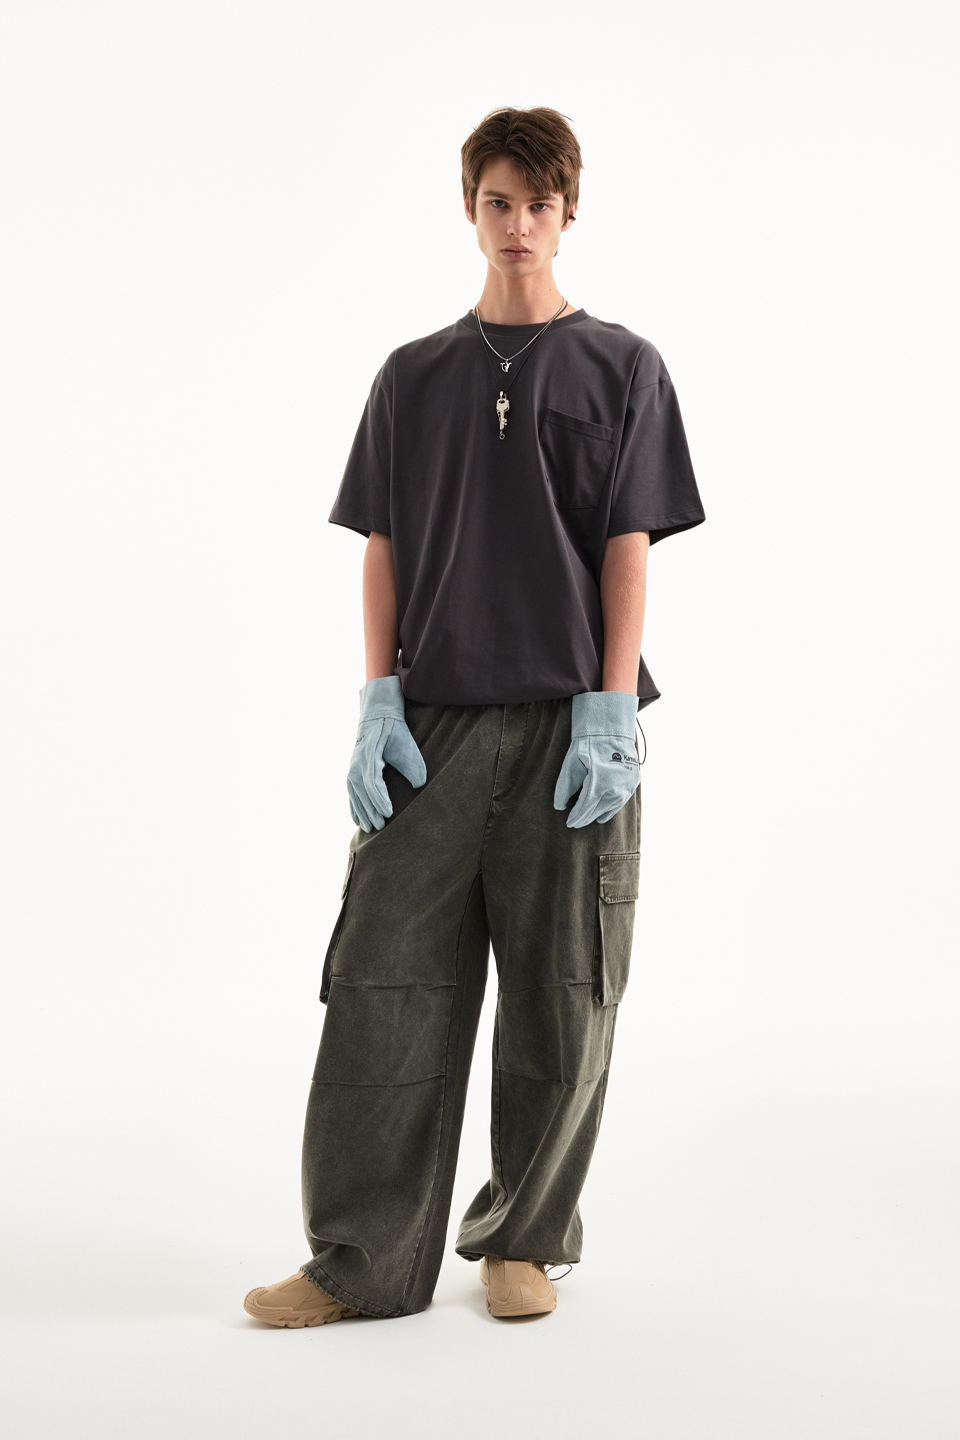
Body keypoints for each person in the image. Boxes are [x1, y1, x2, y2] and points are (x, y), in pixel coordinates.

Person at [243, 106, 704, 1327]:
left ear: (569, 213)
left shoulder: (622, 366)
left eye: (539, 205)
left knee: (563, 989)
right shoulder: (413, 376)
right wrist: (376, 697)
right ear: (469, 208)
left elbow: (627, 544)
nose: (518, 225)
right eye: (498, 201)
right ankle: (361, 1263)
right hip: (433, 725)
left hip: (567, 726)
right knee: (381, 986)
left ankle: (521, 1241)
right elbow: (383, 543)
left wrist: (611, 704)